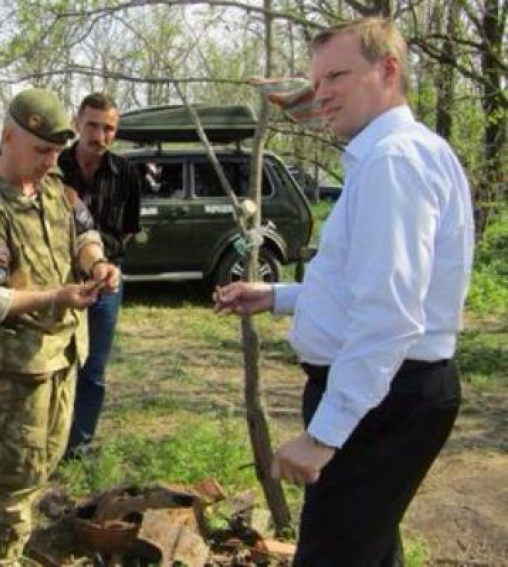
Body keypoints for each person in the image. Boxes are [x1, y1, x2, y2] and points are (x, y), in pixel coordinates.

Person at [213, 18, 474, 566]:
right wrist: (277, 296)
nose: (322, 94)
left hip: (384, 398)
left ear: (387, 70)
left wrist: (323, 437)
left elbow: (390, 316)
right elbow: (364, 286)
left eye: (337, 76)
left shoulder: (393, 161)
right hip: (388, 390)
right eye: (317, 81)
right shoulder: (391, 154)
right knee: (369, 552)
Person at [0, 88, 121, 565]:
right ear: (8, 138)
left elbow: (83, 232)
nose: (52, 161)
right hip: (20, 368)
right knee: (15, 476)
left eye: (56, 152)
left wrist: (96, 264)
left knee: (43, 461)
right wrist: (56, 296)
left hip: (65, 353)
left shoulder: (53, 188)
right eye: (42, 150)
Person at [57, 92, 142, 457]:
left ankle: (79, 444)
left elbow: (128, 229)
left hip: (106, 282)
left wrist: (104, 261)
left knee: (93, 366)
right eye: (92, 125)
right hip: (59, 279)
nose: (99, 135)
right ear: (77, 123)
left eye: (108, 128)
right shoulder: (55, 166)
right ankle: (49, 442)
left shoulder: (126, 172)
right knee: (56, 361)